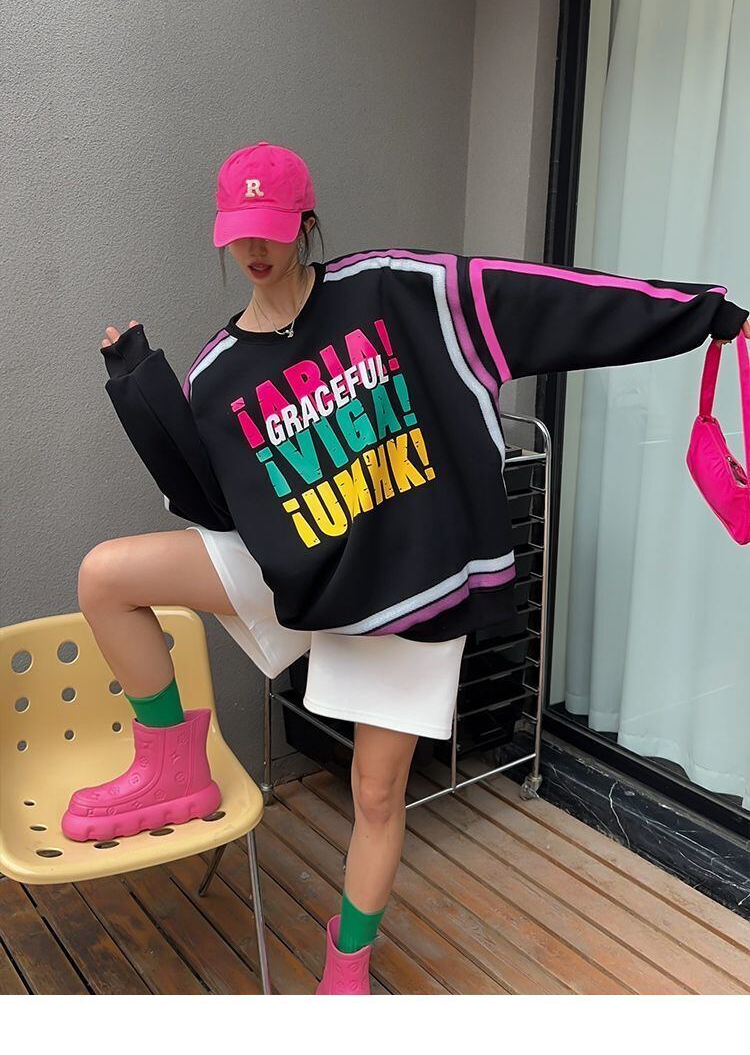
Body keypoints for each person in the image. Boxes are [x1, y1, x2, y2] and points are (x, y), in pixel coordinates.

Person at [63, 141, 749, 996]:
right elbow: (214, 504)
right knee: (107, 576)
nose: (256, 248)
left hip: (405, 587)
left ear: (306, 222)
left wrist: (701, 313)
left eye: (272, 227)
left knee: (378, 796)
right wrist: (139, 388)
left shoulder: (395, 290)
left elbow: (545, 299)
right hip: (301, 575)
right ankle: (174, 764)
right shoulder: (217, 371)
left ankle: (347, 965)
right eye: (239, 232)